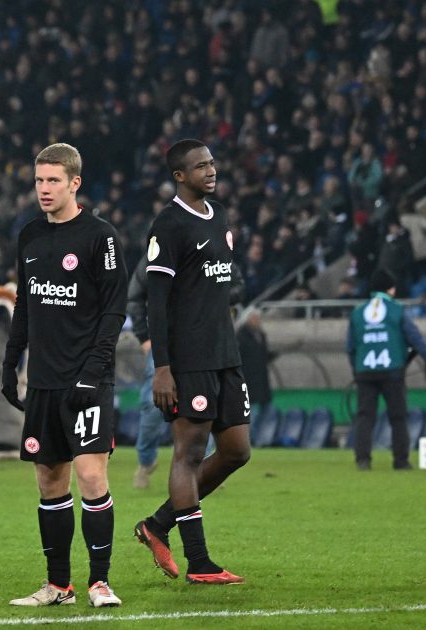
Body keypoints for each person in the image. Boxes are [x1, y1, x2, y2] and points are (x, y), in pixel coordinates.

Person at [2, 143, 127, 608]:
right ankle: (59, 585)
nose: (44, 190)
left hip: (88, 381)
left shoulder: (100, 236)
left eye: (53, 181)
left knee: (92, 477)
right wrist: (11, 361)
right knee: (49, 482)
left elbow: (115, 310)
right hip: (44, 381)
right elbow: (24, 305)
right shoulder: (30, 236)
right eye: (38, 181)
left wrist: (95, 372)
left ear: (75, 183)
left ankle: (100, 581)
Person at [133, 139, 250, 585]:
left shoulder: (219, 217)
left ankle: (158, 524)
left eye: (212, 163)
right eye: (200, 166)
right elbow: (155, 303)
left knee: (238, 450)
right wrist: (163, 368)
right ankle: (200, 561)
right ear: (179, 176)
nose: (211, 170)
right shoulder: (168, 226)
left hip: (225, 354)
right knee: (188, 454)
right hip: (188, 360)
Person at [346, 269, 426, 470]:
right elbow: (415, 338)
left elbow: (350, 347)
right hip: (392, 371)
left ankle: (363, 460)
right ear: (391, 288)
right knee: (398, 417)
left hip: (365, 371)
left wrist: (356, 370)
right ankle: (401, 460)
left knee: (364, 417)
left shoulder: (357, 313)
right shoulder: (397, 310)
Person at [125, 257, 166, 489]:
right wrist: (144, 336)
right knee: (152, 404)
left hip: (201, 340)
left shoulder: (208, 243)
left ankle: (208, 463)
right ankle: (146, 461)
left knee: (206, 401)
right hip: (162, 341)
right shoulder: (155, 253)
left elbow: (234, 283)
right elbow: (135, 296)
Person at [238, 310, 277, 449]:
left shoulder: (261, 335)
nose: (257, 321)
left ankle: (260, 438)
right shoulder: (241, 336)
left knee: (266, 411)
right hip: (249, 382)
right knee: (252, 413)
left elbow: (262, 357)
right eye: (255, 318)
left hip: (262, 382)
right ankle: (249, 439)